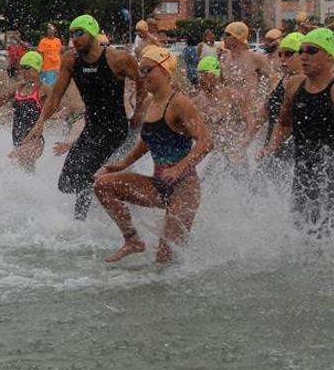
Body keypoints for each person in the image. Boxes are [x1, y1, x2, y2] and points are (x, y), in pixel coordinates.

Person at [94, 46, 212, 263]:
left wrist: (178, 168)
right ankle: (132, 240)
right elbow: (147, 141)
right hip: (158, 184)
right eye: (140, 70)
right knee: (103, 185)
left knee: (165, 260)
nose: (142, 75)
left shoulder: (179, 103)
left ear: (165, 72)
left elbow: (206, 142)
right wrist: (122, 164)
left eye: (148, 69)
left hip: (184, 187)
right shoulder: (149, 102)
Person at [24, 14, 146, 220]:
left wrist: (139, 114)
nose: (74, 39)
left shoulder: (118, 59)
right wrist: (40, 123)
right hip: (92, 128)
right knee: (66, 183)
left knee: (86, 174)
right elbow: (55, 96)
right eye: (71, 34)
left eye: (79, 33)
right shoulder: (71, 60)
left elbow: (142, 82)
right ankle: (104, 191)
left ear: (92, 33)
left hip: (115, 129)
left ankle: (82, 220)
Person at [261, 28, 334, 236]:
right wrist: (271, 146)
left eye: (311, 50)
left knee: (327, 232)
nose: (303, 56)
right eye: (301, 50)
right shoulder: (294, 85)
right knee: (301, 229)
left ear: (329, 56)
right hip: (304, 172)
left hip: (331, 173)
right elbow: (284, 123)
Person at [0, 51, 50, 171]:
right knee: (26, 171)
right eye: (21, 68)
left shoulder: (44, 90)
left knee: (11, 162)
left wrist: (47, 117)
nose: (23, 72)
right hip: (18, 139)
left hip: (35, 141)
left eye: (27, 68)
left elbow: (60, 108)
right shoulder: (18, 87)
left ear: (37, 69)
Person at [192, 56, 255, 167]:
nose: (201, 78)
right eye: (199, 74)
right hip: (212, 153)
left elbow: (250, 120)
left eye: (205, 74)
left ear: (216, 75)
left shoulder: (233, 96)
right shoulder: (197, 101)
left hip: (234, 149)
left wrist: (244, 143)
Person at [259, 32, 304, 163]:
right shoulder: (275, 79)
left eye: (289, 54)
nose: (283, 59)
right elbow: (264, 112)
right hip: (274, 146)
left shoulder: (312, 85)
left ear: (302, 54)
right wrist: (246, 141)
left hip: (296, 150)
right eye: (280, 54)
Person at [220, 21, 272, 108]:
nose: (223, 38)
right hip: (231, 110)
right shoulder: (224, 58)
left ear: (237, 37)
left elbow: (272, 79)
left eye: (227, 35)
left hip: (250, 108)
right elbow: (220, 85)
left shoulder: (255, 57)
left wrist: (264, 101)